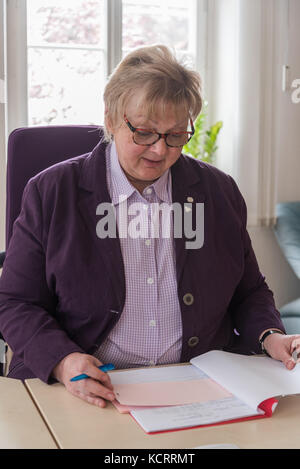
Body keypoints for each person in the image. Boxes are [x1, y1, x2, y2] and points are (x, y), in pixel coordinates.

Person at [0, 45, 299, 409]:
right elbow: (16, 302)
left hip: (197, 382)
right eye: (144, 132)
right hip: (87, 388)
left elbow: (249, 290)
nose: (160, 151)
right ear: (111, 119)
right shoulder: (51, 192)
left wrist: (270, 336)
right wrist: (64, 361)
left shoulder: (217, 192)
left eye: (175, 135)